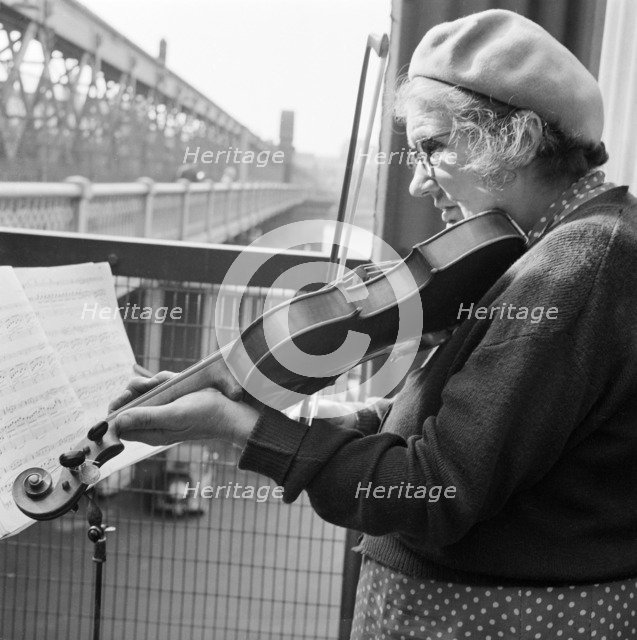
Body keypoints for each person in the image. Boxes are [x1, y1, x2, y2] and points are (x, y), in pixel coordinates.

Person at [109, 10, 637, 640]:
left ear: (512, 138)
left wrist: (238, 426)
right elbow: (460, 429)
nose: (417, 182)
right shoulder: (558, 248)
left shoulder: (580, 264)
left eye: (432, 147)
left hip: (496, 622)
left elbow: (429, 488)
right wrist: (312, 416)